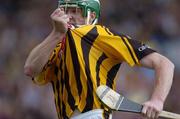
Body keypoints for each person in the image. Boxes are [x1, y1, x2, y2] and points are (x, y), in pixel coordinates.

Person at [24, 0, 174, 119]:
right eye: (65, 10)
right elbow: (30, 69)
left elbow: (164, 64)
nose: (69, 15)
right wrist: (56, 34)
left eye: (76, 10)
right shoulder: (54, 44)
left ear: (92, 16)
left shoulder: (98, 34)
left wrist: (157, 100)